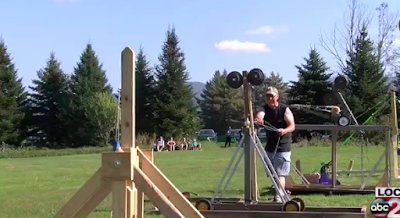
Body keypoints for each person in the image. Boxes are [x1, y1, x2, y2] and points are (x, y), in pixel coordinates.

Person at [255, 87, 295, 203]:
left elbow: (292, 126)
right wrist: (259, 119)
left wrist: (284, 130)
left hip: (283, 146)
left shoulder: (284, 109)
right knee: (272, 174)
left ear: (277, 97)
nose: (270, 98)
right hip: (270, 147)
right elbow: (260, 115)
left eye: (272, 96)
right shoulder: (264, 108)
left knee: (280, 174)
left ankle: (279, 196)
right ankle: (281, 190)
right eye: (268, 96)